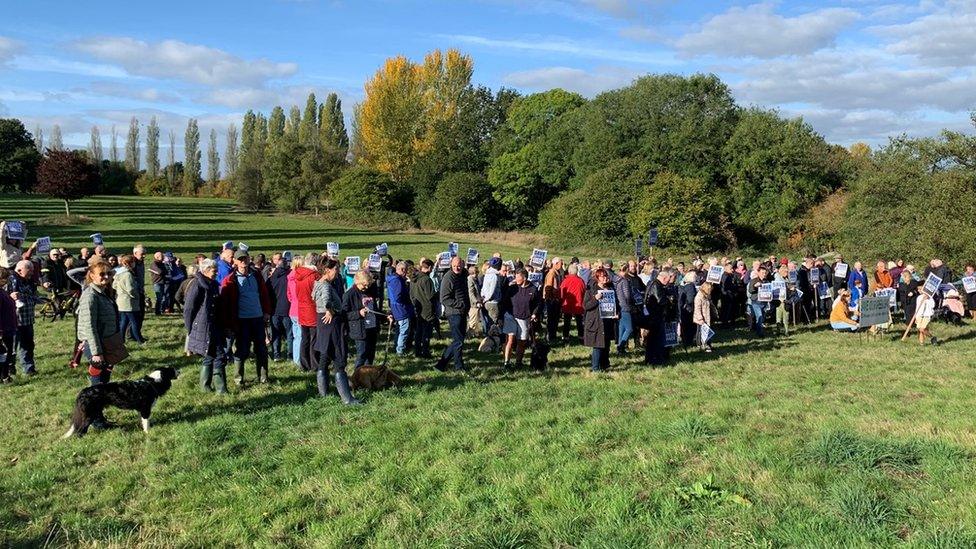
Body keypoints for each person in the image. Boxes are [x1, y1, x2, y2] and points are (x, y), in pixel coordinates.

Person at [218, 249, 272, 386]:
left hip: (258, 318)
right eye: (240, 259)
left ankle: (263, 377)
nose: (243, 262)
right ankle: (238, 379)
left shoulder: (257, 276)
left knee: (261, 349)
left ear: (249, 259)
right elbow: (225, 305)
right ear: (235, 261)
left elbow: (264, 295)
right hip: (242, 320)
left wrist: (266, 311)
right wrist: (228, 324)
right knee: (242, 350)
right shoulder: (229, 280)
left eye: (245, 259)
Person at [312, 257, 360, 404]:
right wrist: (330, 310)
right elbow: (326, 300)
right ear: (327, 270)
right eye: (335, 270)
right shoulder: (326, 286)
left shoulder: (317, 284)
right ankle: (347, 399)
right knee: (339, 360)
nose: (337, 273)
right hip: (332, 326)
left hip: (323, 325)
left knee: (324, 358)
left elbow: (313, 297)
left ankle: (324, 394)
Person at [184, 259, 227, 393]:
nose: (216, 273)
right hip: (203, 326)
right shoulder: (197, 285)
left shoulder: (213, 284)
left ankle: (205, 387)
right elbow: (189, 308)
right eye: (214, 271)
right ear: (205, 271)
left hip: (215, 325)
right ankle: (221, 389)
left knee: (211, 354)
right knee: (219, 355)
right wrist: (190, 328)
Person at [77, 262, 121, 385]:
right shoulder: (90, 296)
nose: (106, 277)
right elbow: (89, 326)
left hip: (107, 341)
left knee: (105, 380)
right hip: (96, 344)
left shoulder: (103, 293)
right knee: (99, 384)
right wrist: (96, 352)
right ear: (92, 276)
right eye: (102, 274)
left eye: (109, 273)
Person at [500, 268, 541, 370]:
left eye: (518, 277)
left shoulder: (533, 289)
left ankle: (518, 362)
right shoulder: (512, 288)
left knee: (522, 341)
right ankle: (506, 362)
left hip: (525, 318)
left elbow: (538, 303)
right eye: (515, 277)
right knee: (510, 340)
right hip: (511, 316)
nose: (516, 279)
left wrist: (534, 314)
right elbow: (504, 301)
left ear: (525, 278)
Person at [435, 256, 469, 372]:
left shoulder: (464, 274)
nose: (457, 268)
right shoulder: (448, 277)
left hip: (463, 311)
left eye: (459, 265)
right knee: (458, 341)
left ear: (463, 264)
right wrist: (459, 304)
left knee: (458, 340)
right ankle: (459, 367)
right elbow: (443, 298)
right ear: (451, 265)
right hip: (454, 313)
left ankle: (441, 365)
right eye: (454, 266)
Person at [343, 270, 381, 369]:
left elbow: (374, 308)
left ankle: (368, 374)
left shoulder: (370, 291)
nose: (366, 287)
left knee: (371, 354)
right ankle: (357, 376)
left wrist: (384, 317)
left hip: (372, 327)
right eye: (364, 285)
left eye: (368, 285)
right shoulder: (349, 295)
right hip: (360, 329)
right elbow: (344, 314)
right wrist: (358, 313)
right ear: (357, 282)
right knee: (362, 354)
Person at [8, 260, 39, 375]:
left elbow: (32, 295)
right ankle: (9, 369)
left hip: (28, 319)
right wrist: (10, 296)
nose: (31, 273)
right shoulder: (10, 280)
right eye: (29, 270)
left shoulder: (28, 281)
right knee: (12, 348)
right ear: (20, 270)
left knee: (28, 345)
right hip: (14, 320)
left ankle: (29, 369)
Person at [583, 268, 616, 372]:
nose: (605, 277)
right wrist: (595, 299)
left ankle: (605, 364)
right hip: (596, 321)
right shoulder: (591, 290)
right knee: (598, 345)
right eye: (602, 276)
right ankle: (595, 368)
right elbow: (586, 306)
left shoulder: (610, 288)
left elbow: (615, 304)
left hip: (607, 321)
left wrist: (616, 313)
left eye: (605, 275)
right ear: (597, 278)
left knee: (606, 345)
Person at [295, 253, 319, 372]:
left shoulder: (298, 274)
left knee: (305, 338)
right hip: (312, 309)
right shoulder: (314, 276)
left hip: (302, 308)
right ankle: (314, 364)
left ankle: (304, 364)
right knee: (314, 339)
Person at [112, 254, 144, 344]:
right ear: (130, 263)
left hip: (120, 301)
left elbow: (114, 285)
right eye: (133, 262)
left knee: (124, 322)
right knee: (135, 321)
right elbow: (131, 289)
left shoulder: (118, 273)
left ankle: (121, 340)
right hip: (129, 302)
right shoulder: (128, 274)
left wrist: (121, 289)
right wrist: (136, 296)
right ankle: (139, 340)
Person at [267, 252, 292, 363]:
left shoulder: (271, 279)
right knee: (289, 333)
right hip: (287, 308)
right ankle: (290, 354)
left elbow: (267, 294)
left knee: (275, 333)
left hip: (275, 309)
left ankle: (276, 354)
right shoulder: (289, 277)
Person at [410, 258, 436, 359]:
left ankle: (417, 351)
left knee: (419, 331)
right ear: (429, 267)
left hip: (417, 307)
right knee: (426, 331)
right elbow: (430, 296)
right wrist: (436, 294)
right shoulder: (426, 279)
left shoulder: (414, 279)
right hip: (427, 308)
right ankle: (425, 351)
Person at [386, 261, 414, 356]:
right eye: (405, 270)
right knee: (404, 329)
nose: (406, 273)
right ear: (402, 270)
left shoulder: (393, 279)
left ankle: (396, 346)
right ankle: (400, 350)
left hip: (395, 308)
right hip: (401, 308)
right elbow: (398, 296)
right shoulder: (397, 280)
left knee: (399, 328)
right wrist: (406, 299)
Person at [286, 255, 304, 367]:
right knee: (301, 336)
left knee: (296, 336)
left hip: (292, 309)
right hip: (300, 310)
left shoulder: (289, 278)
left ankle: (296, 359)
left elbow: (289, 295)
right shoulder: (299, 279)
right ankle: (300, 361)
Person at [560, 263, 585, 341]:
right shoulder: (580, 281)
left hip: (568, 304)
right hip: (578, 303)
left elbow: (561, 292)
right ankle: (581, 336)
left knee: (567, 321)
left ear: (569, 271)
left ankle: (566, 336)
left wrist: (561, 302)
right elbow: (584, 291)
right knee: (579, 321)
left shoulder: (565, 281)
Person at [0, 267, 16, 383]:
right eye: (5, 277)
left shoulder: (2, 291)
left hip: (9, 327)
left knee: (7, 353)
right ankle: (3, 376)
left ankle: (5, 375)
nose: (7, 280)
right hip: (3, 329)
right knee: (3, 354)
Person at [479, 257, 503, 336]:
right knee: (493, 324)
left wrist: (483, 297)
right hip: (492, 302)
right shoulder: (494, 276)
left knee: (488, 322)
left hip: (486, 301)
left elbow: (483, 288)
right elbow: (491, 291)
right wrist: (486, 299)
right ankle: (492, 339)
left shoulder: (487, 274)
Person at [543, 257, 564, 344]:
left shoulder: (557, 273)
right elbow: (548, 288)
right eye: (561, 264)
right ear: (555, 264)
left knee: (555, 319)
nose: (562, 265)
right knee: (551, 319)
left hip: (556, 299)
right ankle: (549, 336)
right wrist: (550, 299)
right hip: (552, 300)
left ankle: (553, 335)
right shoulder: (551, 274)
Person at [693, 282, 717, 352]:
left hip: (707, 316)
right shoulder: (699, 297)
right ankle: (702, 345)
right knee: (701, 333)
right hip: (701, 318)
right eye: (709, 290)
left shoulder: (707, 296)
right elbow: (697, 308)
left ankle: (708, 344)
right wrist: (700, 318)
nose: (710, 291)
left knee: (708, 332)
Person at [677, 271, 697, 347]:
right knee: (690, 326)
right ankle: (689, 341)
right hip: (689, 309)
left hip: (683, 309)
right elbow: (690, 299)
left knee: (684, 325)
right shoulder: (691, 286)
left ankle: (685, 340)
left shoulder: (683, 285)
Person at [747, 266, 768, 337]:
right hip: (756, 302)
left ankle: (756, 329)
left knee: (761, 318)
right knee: (759, 316)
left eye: (765, 273)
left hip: (764, 302)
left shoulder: (766, 281)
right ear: (758, 273)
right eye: (762, 273)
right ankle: (760, 334)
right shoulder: (754, 280)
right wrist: (755, 286)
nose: (764, 274)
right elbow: (750, 290)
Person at [149, 251, 168, 315]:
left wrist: (162, 272)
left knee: (164, 297)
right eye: (161, 256)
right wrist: (161, 272)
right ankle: (157, 311)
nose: (163, 257)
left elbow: (166, 271)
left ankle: (162, 310)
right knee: (159, 298)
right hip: (157, 283)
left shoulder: (162, 264)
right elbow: (160, 272)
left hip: (163, 282)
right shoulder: (154, 264)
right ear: (157, 257)